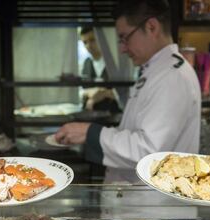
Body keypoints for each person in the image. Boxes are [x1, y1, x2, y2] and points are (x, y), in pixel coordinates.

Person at [55, 0, 201, 183]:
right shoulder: (155, 70)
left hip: (155, 208)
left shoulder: (172, 76)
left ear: (151, 27)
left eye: (125, 38)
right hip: (140, 204)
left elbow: (148, 151)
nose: (123, 48)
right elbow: (136, 132)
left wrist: (90, 133)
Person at [79, 27, 120, 113]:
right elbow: (81, 89)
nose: (89, 46)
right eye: (85, 42)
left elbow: (125, 93)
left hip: (112, 114)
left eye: (92, 40)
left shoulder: (113, 63)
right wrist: (89, 92)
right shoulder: (86, 63)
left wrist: (105, 93)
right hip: (89, 114)